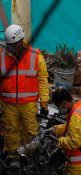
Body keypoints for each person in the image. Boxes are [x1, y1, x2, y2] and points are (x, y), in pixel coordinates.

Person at [0, 24, 49, 166]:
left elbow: (42, 79)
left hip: (28, 103)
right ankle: (13, 156)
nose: (10, 48)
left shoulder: (35, 56)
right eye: (9, 45)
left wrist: (44, 103)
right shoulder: (2, 56)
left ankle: (28, 157)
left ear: (20, 41)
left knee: (30, 130)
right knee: (11, 130)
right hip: (8, 102)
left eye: (13, 45)